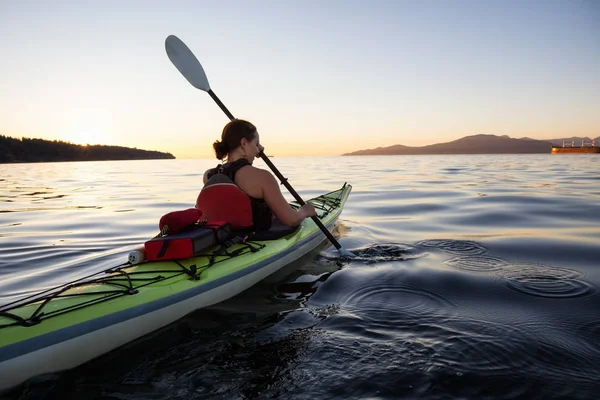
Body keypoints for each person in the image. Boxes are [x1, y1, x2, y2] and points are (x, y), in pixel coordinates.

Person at [196, 119, 316, 231]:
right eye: (257, 143)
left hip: (226, 237)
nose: (259, 149)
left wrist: (254, 147)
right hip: (258, 238)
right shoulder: (263, 177)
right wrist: (304, 211)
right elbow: (291, 220)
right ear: (244, 143)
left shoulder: (209, 176)